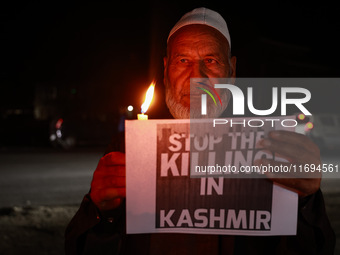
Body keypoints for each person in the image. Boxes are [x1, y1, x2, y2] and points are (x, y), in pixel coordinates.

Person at [65, 8, 335, 254]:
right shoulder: (127, 149)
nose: (197, 77)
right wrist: (100, 211)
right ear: (165, 69)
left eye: (211, 60)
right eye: (183, 60)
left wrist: (306, 202)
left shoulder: (269, 149)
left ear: (232, 72)